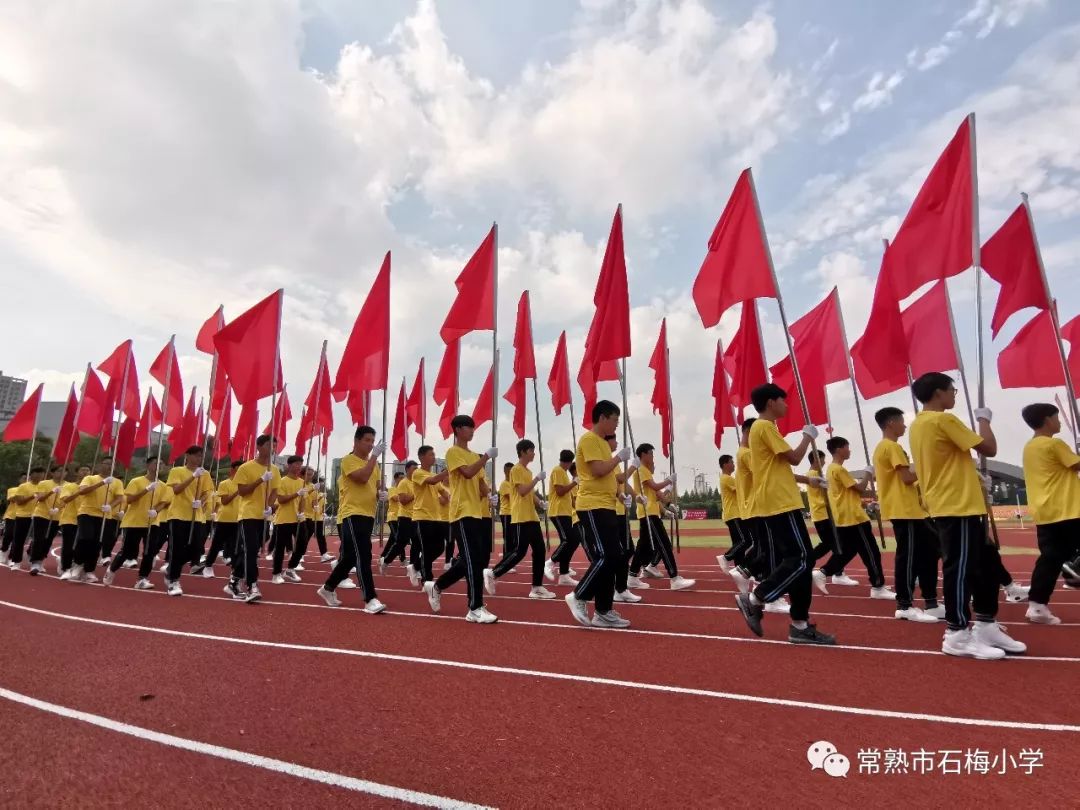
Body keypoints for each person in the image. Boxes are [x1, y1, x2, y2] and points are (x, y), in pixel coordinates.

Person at [909, 372, 1024, 659]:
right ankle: (956, 632)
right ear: (938, 392)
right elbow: (989, 447)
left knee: (984, 564)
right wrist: (984, 419)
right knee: (960, 569)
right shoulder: (942, 419)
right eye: (952, 390)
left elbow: (948, 460)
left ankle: (985, 623)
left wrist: (973, 476)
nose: (954, 395)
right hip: (954, 505)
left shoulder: (919, 425)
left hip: (961, 504)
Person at [734, 384, 834, 645]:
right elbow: (794, 457)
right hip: (779, 503)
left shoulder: (764, 429)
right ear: (770, 402)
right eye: (783, 400)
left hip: (780, 501)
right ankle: (756, 598)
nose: (787, 405)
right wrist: (807, 437)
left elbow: (780, 468)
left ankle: (800, 624)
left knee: (802, 562)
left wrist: (808, 482)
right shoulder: (764, 426)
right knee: (801, 558)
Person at [421, 415, 498, 623]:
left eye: (473, 427)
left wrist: (489, 494)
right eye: (468, 427)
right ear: (457, 429)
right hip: (461, 513)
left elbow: (481, 485)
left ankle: (437, 586)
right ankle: (475, 607)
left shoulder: (474, 455)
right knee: (471, 559)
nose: (472, 430)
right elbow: (467, 473)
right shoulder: (454, 452)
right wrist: (485, 458)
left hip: (479, 514)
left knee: (476, 561)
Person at [565, 400, 634, 629]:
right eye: (614, 420)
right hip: (592, 506)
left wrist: (619, 495)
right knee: (607, 556)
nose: (616, 425)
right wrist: (619, 458)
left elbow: (609, 478)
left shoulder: (604, 445)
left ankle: (603, 611)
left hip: (607, 505)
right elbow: (597, 470)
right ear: (603, 418)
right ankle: (579, 595)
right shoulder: (589, 439)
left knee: (614, 556)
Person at [872, 407, 943, 622]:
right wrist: (928, 467)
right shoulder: (890, 447)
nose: (904, 425)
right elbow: (906, 478)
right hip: (903, 510)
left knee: (932, 550)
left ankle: (930, 600)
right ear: (891, 423)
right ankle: (904, 604)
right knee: (908, 556)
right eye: (902, 422)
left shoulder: (888, 447)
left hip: (913, 510)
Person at [1020, 403, 1080, 625]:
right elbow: (1076, 465)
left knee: (1049, 560)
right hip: (1067, 509)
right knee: (1055, 558)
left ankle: (1037, 605)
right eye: (1057, 417)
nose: (1060, 421)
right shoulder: (1054, 444)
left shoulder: (1030, 446)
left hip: (1045, 511)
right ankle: (1072, 573)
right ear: (1047, 420)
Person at [813, 437, 894, 600]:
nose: (849, 450)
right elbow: (860, 488)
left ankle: (823, 572)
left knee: (849, 551)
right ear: (838, 449)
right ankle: (878, 586)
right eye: (847, 447)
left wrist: (868, 504)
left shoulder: (832, 469)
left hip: (846, 517)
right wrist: (868, 473)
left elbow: (849, 495)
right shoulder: (838, 470)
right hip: (854, 519)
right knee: (871, 552)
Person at [317, 426, 387, 614]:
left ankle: (327, 588)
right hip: (351, 514)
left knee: (348, 558)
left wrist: (382, 493)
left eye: (373, 441)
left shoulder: (376, 465)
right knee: (363, 555)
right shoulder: (349, 460)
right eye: (367, 440)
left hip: (368, 514)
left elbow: (377, 485)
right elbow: (363, 478)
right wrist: (374, 457)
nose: (371, 444)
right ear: (356, 441)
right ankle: (370, 598)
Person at [484, 439, 555, 599]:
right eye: (531, 450)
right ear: (523, 452)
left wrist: (540, 502)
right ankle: (493, 573)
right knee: (519, 551)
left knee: (539, 550)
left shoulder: (527, 472)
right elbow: (522, 491)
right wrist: (536, 479)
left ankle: (537, 587)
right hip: (521, 517)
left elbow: (529, 493)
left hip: (531, 516)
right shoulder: (516, 470)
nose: (534, 453)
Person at [630, 443, 694, 590]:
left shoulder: (645, 471)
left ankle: (632, 575)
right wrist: (669, 480)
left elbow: (657, 494)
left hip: (650, 512)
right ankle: (674, 578)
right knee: (664, 544)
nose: (653, 457)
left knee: (643, 546)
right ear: (644, 454)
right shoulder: (641, 470)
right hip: (649, 513)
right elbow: (655, 487)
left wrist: (669, 502)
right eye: (651, 454)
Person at [228, 434, 281, 603]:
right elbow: (242, 492)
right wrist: (260, 480)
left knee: (251, 551)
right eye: (268, 445)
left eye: (274, 446)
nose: (271, 449)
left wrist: (270, 507)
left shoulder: (275, 470)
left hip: (262, 516)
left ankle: (234, 580)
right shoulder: (246, 468)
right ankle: (252, 585)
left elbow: (274, 491)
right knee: (250, 550)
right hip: (248, 514)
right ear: (258, 447)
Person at [103, 457, 159, 585]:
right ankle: (111, 570)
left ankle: (142, 578)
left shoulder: (162, 485)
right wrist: (146, 490)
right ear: (148, 465)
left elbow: (165, 502)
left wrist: (156, 510)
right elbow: (130, 499)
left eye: (161, 464)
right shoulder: (136, 481)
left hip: (152, 522)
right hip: (134, 522)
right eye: (156, 463)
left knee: (149, 552)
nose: (159, 466)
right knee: (127, 551)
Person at [801, 451, 851, 589]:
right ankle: (808, 563)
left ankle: (835, 571)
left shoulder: (814, 474)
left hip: (822, 514)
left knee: (831, 544)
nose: (824, 462)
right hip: (822, 514)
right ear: (816, 459)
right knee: (834, 543)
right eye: (822, 459)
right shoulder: (812, 475)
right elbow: (820, 496)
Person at [163, 445, 208, 596]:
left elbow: (206, 493)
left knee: (196, 548)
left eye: (200, 456)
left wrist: (200, 501)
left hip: (197, 516)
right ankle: (173, 581)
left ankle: (171, 569)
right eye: (195, 455)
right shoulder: (177, 471)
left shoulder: (204, 474)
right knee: (177, 549)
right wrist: (193, 476)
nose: (198, 458)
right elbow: (176, 490)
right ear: (187, 456)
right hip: (178, 514)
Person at [70, 458, 124, 583]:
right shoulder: (90, 478)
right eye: (107, 464)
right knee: (85, 538)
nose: (110, 466)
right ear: (101, 465)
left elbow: (119, 497)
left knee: (97, 543)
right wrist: (102, 483)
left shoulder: (117, 482)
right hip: (87, 512)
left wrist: (111, 505)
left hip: (104, 515)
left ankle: (89, 570)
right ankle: (77, 564)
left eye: (112, 465)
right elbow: (82, 491)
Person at [196, 461, 242, 576]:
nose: (239, 472)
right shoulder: (225, 484)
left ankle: (235, 571)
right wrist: (237, 492)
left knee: (235, 546)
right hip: (224, 519)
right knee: (217, 544)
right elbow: (225, 501)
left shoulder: (244, 485)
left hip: (239, 519)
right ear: (232, 470)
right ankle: (208, 566)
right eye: (237, 469)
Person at [269, 455, 305, 584]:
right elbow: (281, 500)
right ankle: (276, 573)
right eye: (296, 464)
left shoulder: (302, 482)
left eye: (300, 464)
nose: (298, 466)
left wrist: (302, 512)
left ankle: (290, 568)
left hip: (298, 519)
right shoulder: (282, 481)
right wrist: (296, 494)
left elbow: (302, 500)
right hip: (283, 519)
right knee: (280, 548)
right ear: (288, 466)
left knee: (302, 544)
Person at [27, 465, 65, 574]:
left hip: (56, 516)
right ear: (52, 473)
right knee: (39, 538)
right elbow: (40, 498)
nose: (61, 473)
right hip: (42, 514)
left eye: (63, 471)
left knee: (48, 540)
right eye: (58, 470)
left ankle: (41, 559)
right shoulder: (44, 483)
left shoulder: (67, 485)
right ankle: (35, 562)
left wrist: (58, 508)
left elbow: (66, 500)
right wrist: (52, 491)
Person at [7, 465, 45, 568]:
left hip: (39, 516)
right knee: (19, 539)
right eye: (36, 473)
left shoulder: (44, 486)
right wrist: (33, 496)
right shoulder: (23, 486)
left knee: (39, 539)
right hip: (23, 516)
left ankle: (36, 561)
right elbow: (19, 502)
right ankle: (16, 561)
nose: (39, 476)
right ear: (31, 475)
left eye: (41, 474)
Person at [56, 466, 87, 577]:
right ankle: (66, 568)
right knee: (68, 545)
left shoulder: (91, 488)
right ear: (77, 473)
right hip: (69, 519)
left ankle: (74, 564)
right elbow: (66, 499)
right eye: (83, 470)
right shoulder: (69, 486)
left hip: (84, 520)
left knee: (80, 545)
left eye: (88, 470)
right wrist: (80, 491)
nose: (85, 472)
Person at [1, 474, 26, 566]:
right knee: (8, 534)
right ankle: (3, 551)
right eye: (24, 478)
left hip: (24, 516)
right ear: (20, 479)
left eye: (27, 478)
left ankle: (12, 557)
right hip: (11, 515)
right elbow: (12, 499)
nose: (26, 480)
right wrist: (22, 492)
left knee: (18, 538)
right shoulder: (13, 489)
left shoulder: (31, 490)